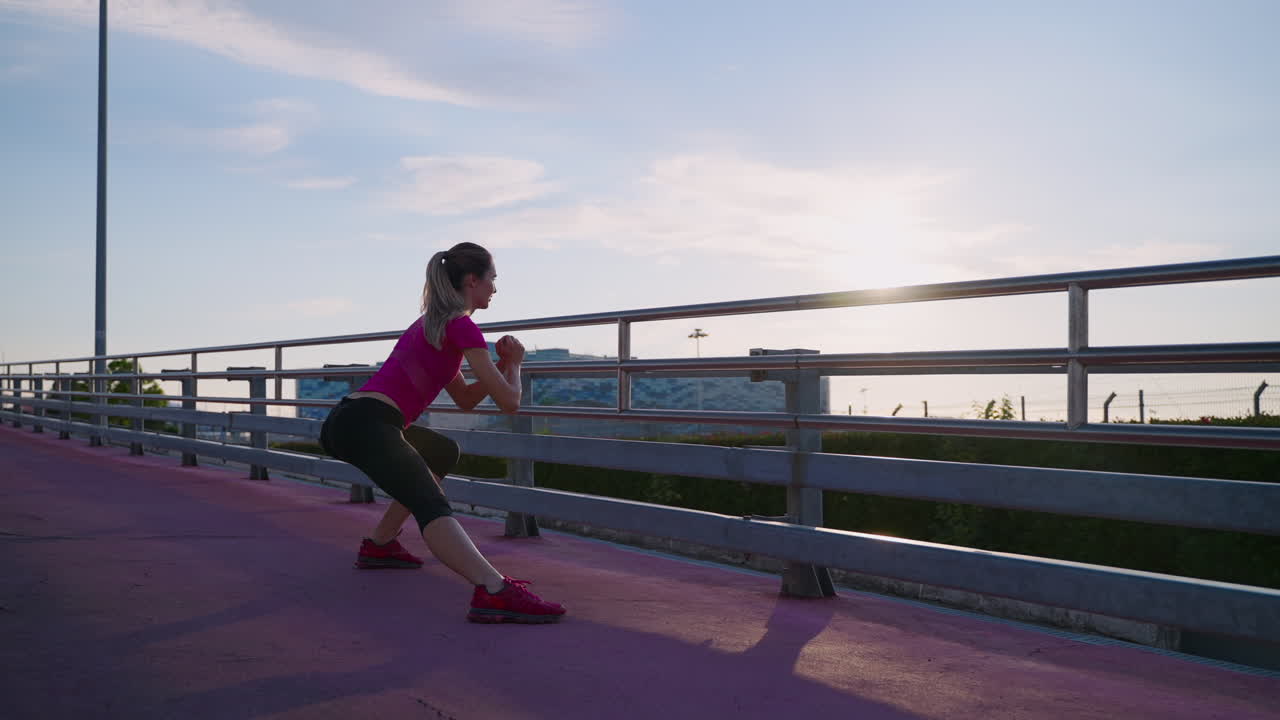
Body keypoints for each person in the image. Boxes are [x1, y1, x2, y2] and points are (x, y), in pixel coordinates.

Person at [319, 242, 565, 624]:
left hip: (352, 419)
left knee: (441, 451)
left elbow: (466, 398)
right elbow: (510, 402)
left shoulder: (434, 325)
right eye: (492, 279)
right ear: (472, 281)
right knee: (431, 506)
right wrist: (514, 365)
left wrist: (497, 363)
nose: (495, 289)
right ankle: (494, 590)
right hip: (370, 423)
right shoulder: (460, 325)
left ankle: (380, 545)